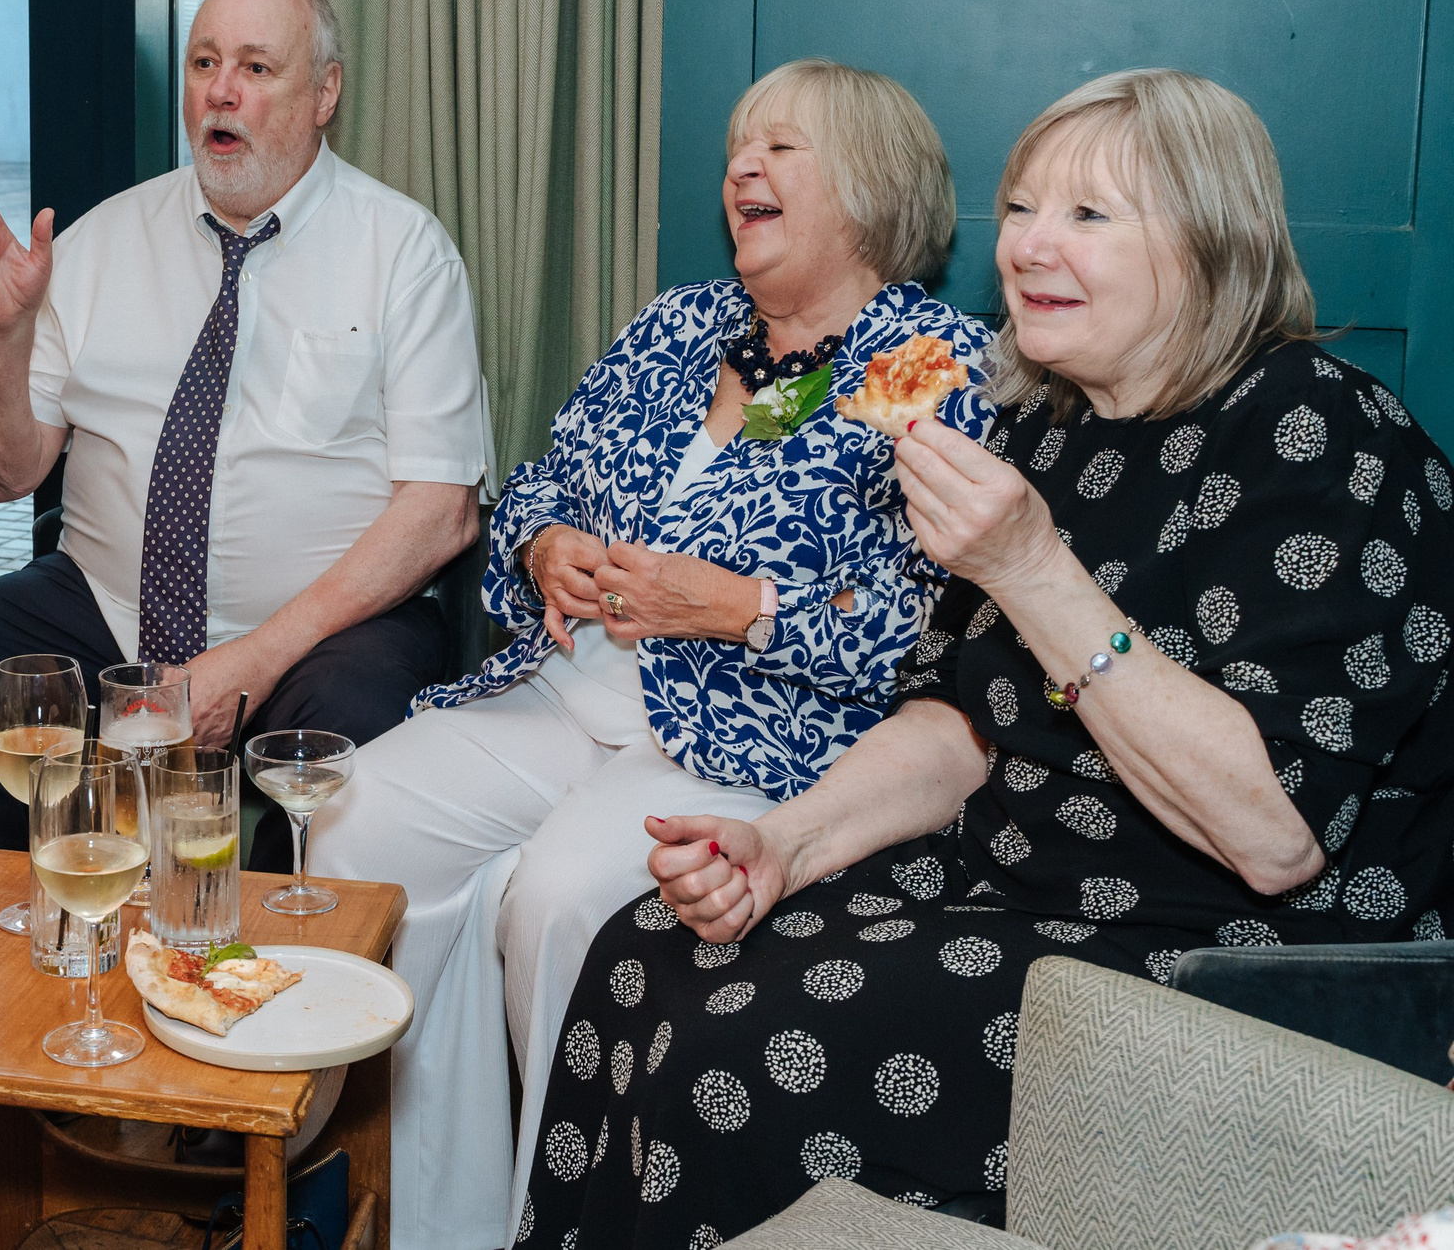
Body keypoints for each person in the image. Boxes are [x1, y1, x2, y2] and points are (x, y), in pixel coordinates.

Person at [519, 69, 1454, 1250]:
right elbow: (960, 721)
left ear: (1209, 241)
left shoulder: (1317, 438)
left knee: (732, 1054)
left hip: (1227, 960)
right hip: (1013, 882)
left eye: (1087, 216)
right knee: (639, 952)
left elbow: (1272, 836)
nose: (1028, 247)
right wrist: (785, 844)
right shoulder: (1046, 423)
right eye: (1019, 209)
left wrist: (1031, 570)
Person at [307, 58, 995, 1249]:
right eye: (739, 146)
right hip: (568, 687)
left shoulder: (914, 362)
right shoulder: (675, 327)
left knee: (565, 895)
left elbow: (925, 626)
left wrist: (743, 607)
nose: (743, 168)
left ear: (872, 188)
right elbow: (532, 486)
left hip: (756, 726)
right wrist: (544, 550)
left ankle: (552, 1224)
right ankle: (428, 1219)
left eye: (782, 147)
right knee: (359, 816)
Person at [0, 0, 488, 884]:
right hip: (105, 612)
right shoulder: (102, 241)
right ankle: (3, 925)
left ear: (324, 94)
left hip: (320, 629)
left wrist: (251, 659)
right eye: (203, 63)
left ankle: (266, 973)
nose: (221, 91)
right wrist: (2, 336)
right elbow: (1, 474)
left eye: (257, 69)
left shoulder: (404, 253)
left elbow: (441, 512)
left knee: (351, 735)